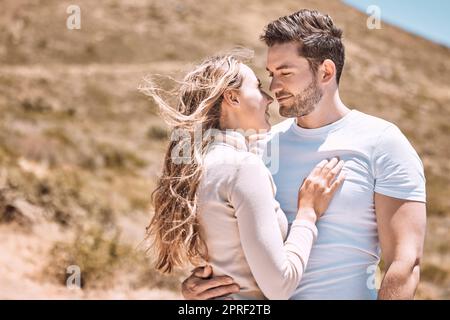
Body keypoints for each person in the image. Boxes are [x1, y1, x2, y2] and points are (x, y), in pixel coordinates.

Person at [181, 9, 427, 300]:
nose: (273, 87)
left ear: (325, 72)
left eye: (285, 73)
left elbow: (404, 263)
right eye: (270, 75)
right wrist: (196, 287)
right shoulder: (259, 147)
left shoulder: (383, 143)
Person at [142, 51, 346, 299]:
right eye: (258, 88)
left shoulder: (195, 167)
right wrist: (308, 213)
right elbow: (279, 287)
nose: (268, 98)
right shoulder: (242, 167)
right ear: (232, 97)